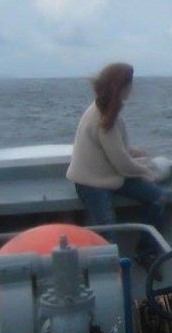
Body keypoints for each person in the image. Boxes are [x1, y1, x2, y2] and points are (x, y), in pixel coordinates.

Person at [66, 62, 166, 260]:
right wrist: (147, 172)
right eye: (130, 83)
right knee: (108, 235)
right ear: (122, 86)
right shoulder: (104, 117)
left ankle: (146, 252)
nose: (132, 88)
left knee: (158, 198)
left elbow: (112, 147)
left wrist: (131, 151)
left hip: (110, 175)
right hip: (91, 182)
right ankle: (115, 271)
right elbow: (121, 163)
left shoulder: (104, 109)